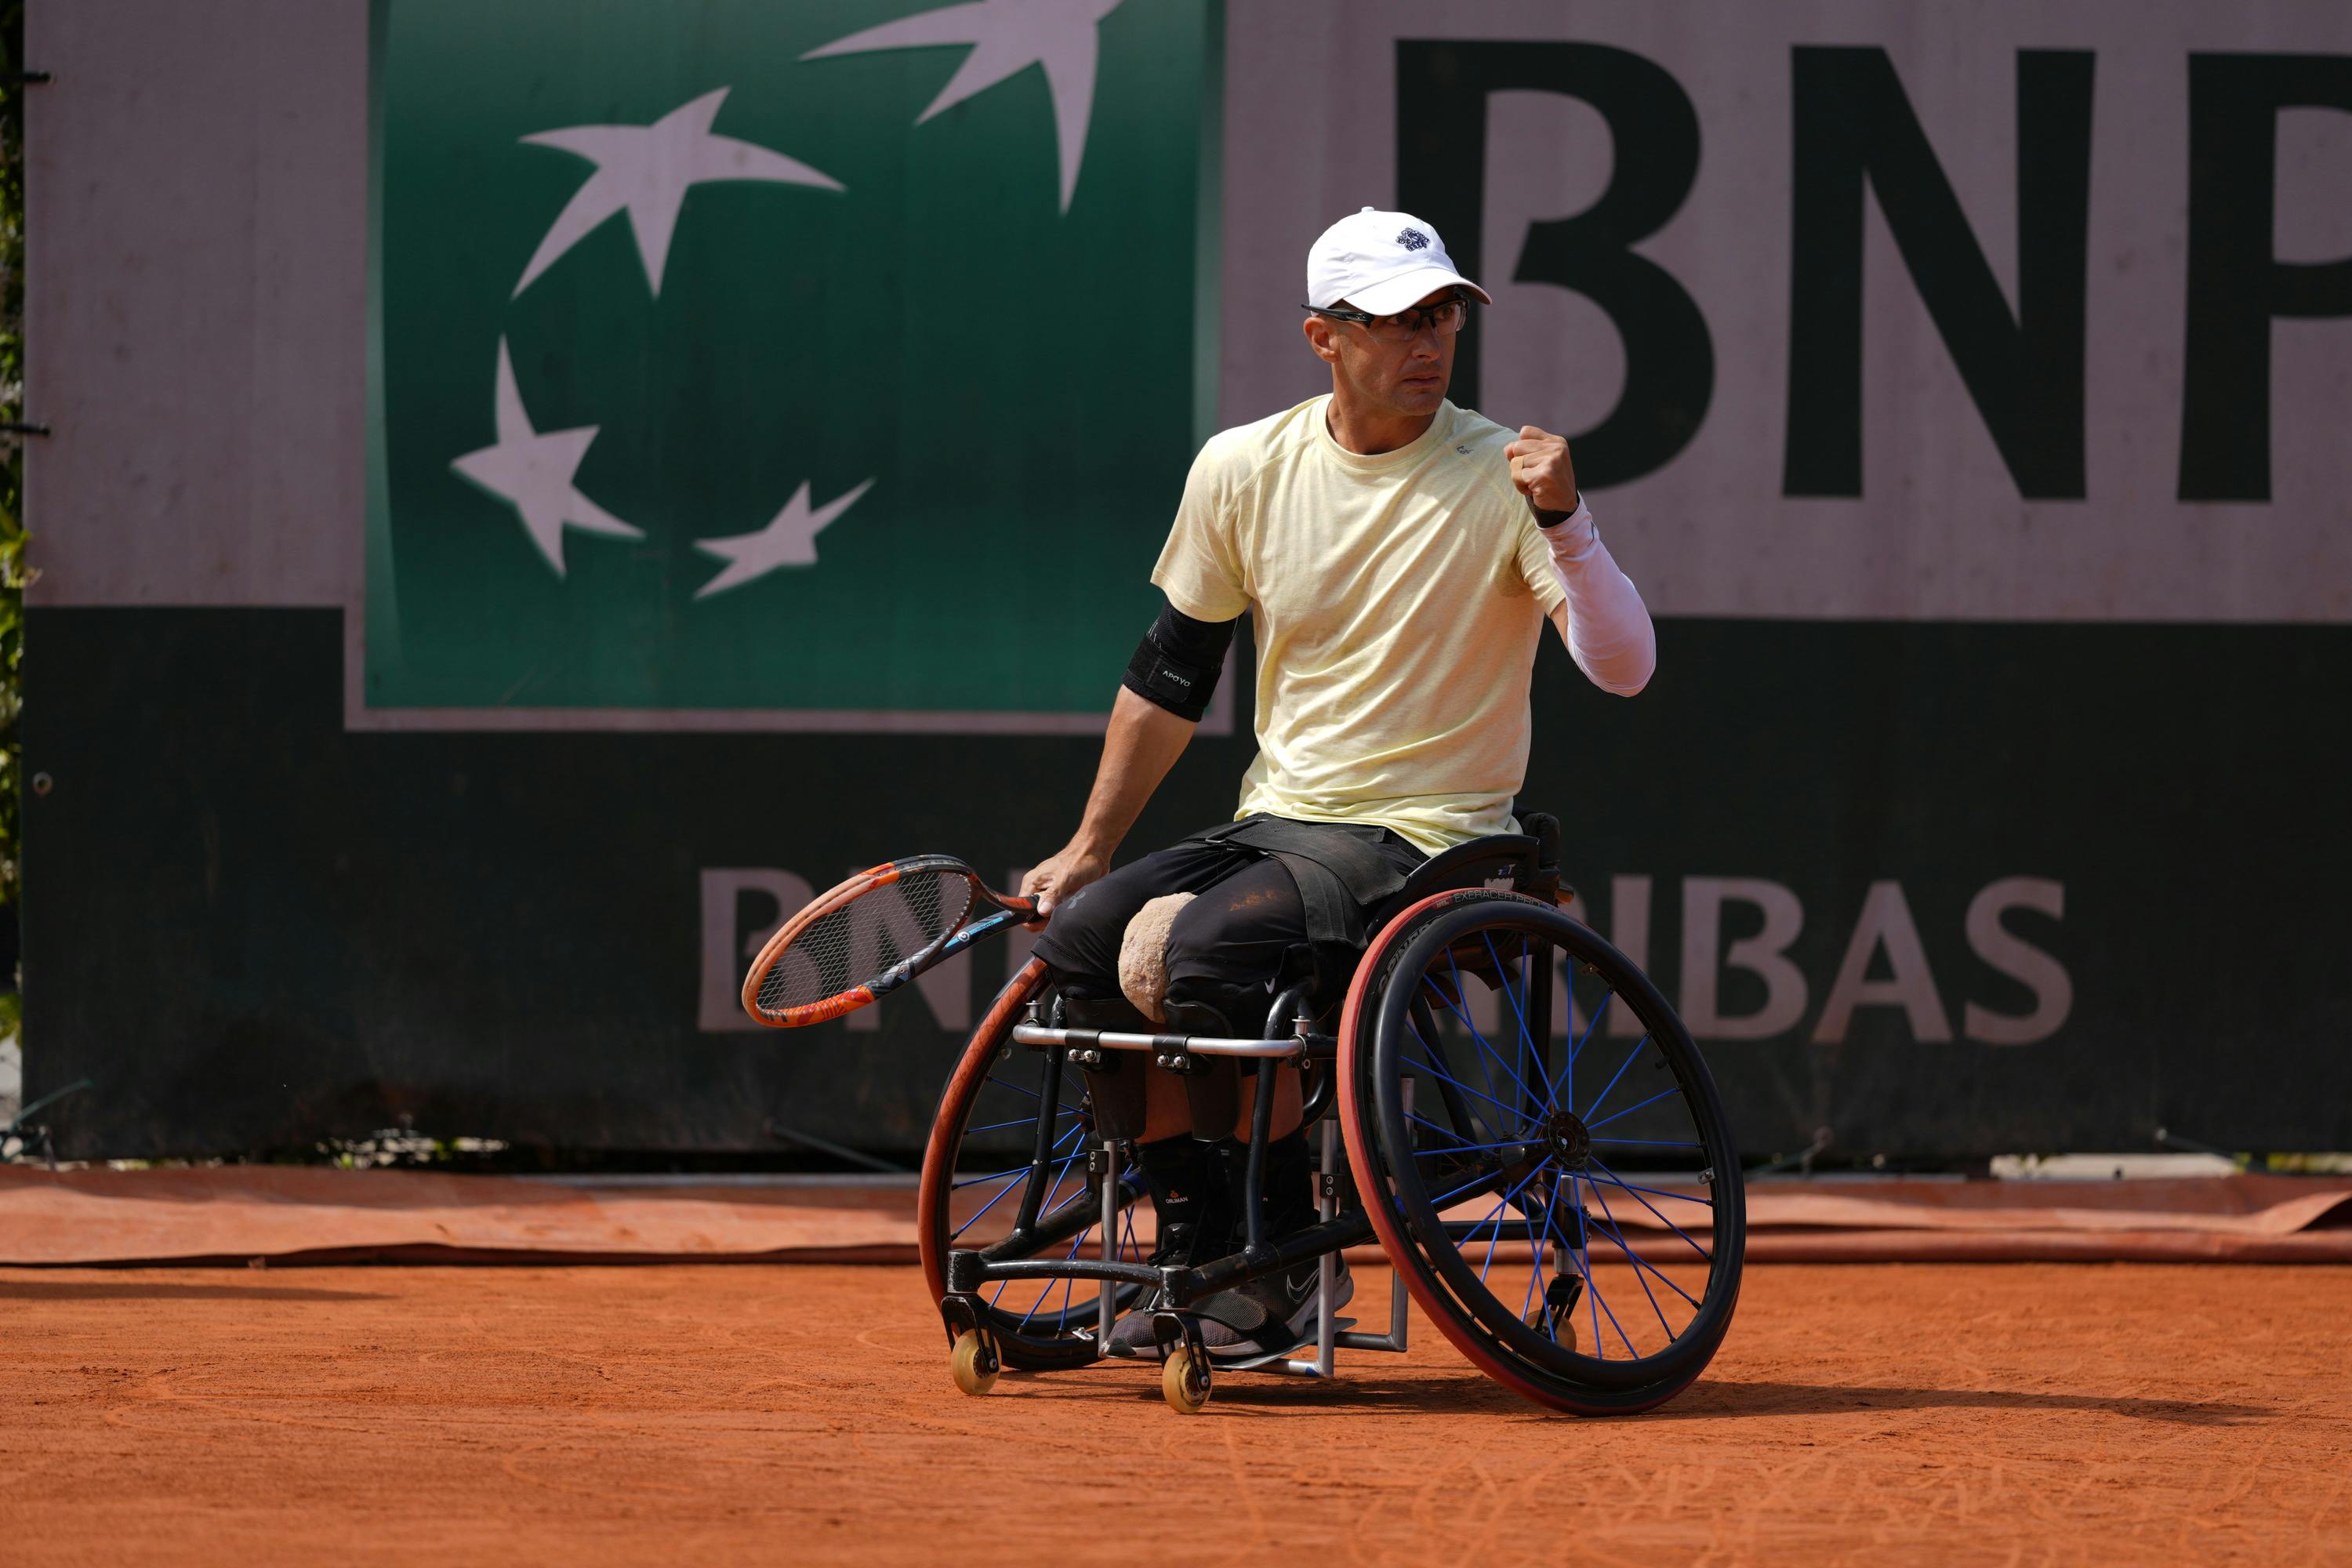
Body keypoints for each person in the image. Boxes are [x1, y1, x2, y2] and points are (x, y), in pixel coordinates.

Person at [1023, 207, 1657, 1359]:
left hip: (1437, 838)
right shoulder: (1242, 467)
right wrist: (1089, 846)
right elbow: (1172, 674)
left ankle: (1275, 1252)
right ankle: (1199, 1230)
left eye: (1442, 315)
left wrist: (1569, 522)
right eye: (1392, 321)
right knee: (1081, 948)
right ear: (1324, 336)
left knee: (1213, 955)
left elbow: (1625, 670)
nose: (1427, 341)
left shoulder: (1504, 478)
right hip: (1280, 824)